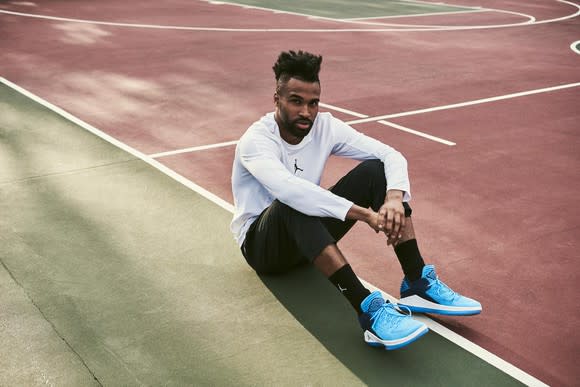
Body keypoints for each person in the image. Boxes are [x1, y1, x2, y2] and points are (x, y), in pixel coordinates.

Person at [231, 50, 481, 350]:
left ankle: (416, 282)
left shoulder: (325, 127)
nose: (306, 112)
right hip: (264, 249)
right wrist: (365, 215)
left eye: (313, 103)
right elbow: (289, 190)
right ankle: (368, 310)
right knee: (291, 203)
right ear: (277, 99)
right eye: (296, 101)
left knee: (376, 171)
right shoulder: (256, 141)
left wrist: (393, 199)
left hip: (305, 236)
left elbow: (390, 155)